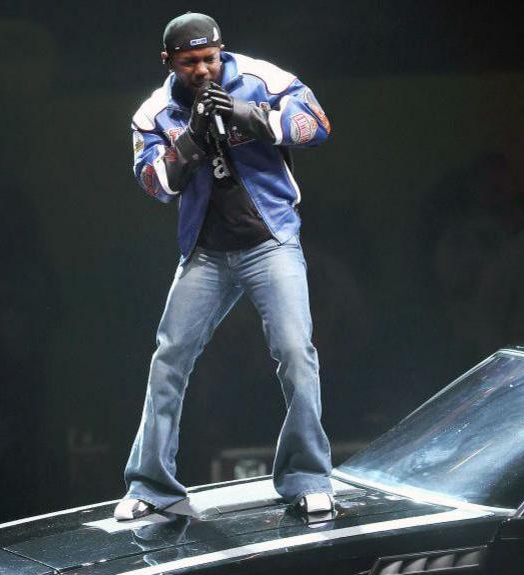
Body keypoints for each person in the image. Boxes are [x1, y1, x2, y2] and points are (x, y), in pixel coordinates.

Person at [119, 12, 335, 520]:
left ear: (222, 52)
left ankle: (308, 476)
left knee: (296, 353)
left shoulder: (263, 79)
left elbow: (317, 126)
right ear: (168, 61)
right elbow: (154, 184)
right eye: (190, 61)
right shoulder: (154, 114)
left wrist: (247, 113)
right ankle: (151, 485)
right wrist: (190, 141)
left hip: (269, 242)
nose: (202, 70)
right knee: (168, 359)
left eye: (210, 58)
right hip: (206, 252)